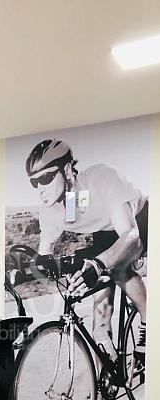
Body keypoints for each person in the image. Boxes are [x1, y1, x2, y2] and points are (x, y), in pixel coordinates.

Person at [26, 139, 148, 361]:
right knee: (98, 311)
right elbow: (44, 254)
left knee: (117, 269)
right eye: (34, 182)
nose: (40, 188)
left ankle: (149, 322)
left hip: (137, 219)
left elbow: (131, 236)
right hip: (104, 230)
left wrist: (99, 264)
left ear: (66, 169)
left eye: (46, 178)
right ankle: (106, 370)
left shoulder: (101, 178)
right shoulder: (50, 211)